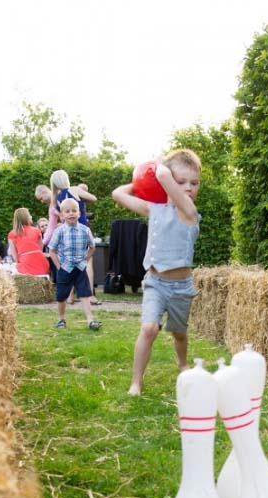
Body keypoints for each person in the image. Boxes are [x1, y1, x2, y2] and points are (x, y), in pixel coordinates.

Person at [112, 148, 201, 395]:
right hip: (155, 282)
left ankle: (182, 363)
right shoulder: (155, 209)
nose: (189, 188)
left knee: (179, 333)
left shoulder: (191, 213)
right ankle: (136, 382)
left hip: (181, 286)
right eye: (181, 182)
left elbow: (163, 176)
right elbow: (117, 194)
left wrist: (160, 168)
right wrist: (142, 181)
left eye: (195, 183)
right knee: (149, 328)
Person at [48, 197, 102, 331]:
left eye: (74, 211)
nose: (71, 213)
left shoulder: (85, 230)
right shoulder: (59, 231)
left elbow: (92, 247)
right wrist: (59, 267)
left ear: (79, 213)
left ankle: (90, 320)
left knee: (84, 294)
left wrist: (85, 259)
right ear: (62, 215)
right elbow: (52, 251)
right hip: (65, 269)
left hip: (80, 268)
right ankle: (61, 319)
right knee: (61, 296)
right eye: (67, 211)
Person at [50, 171, 100, 305]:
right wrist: (83, 196)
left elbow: (59, 214)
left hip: (66, 230)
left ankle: (70, 296)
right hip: (81, 228)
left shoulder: (57, 197)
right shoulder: (74, 189)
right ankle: (90, 296)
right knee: (86, 262)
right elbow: (94, 198)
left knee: (69, 261)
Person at [8, 208, 50, 276]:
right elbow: (40, 249)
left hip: (25, 266)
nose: (31, 216)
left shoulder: (12, 234)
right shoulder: (36, 230)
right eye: (29, 214)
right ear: (26, 217)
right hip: (41, 264)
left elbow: (15, 256)